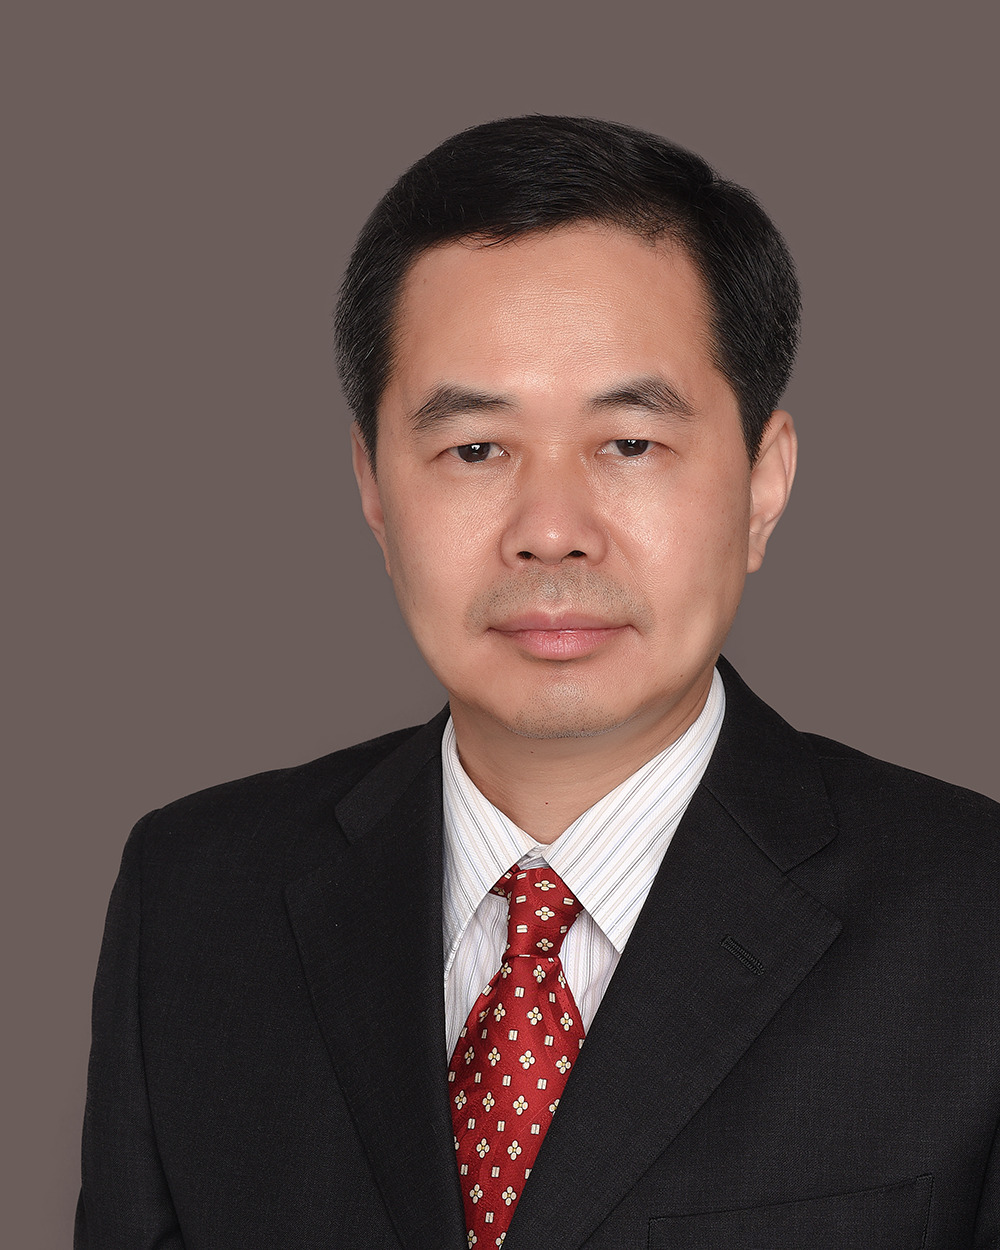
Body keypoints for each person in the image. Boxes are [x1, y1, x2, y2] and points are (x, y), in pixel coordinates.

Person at [76, 116, 999, 1250]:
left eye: (629, 444)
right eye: (475, 449)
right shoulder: (194, 900)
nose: (551, 531)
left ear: (763, 482)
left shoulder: (973, 917)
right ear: (373, 485)